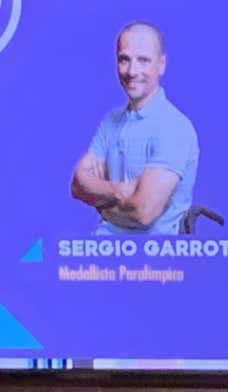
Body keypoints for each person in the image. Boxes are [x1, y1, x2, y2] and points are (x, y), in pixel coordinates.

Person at [69, 22, 199, 235]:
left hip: (155, 263)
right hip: (100, 257)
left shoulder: (174, 127)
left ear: (161, 64)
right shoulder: (110, 121)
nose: (132, 71)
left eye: (143, 60)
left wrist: (101, 203)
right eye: (124, 60)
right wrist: (121, 191)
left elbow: (143, 212)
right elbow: (77, 186)